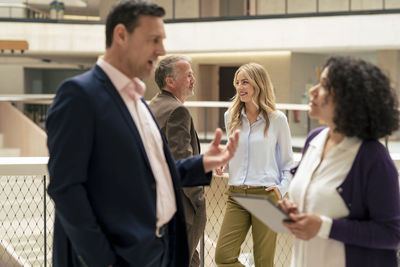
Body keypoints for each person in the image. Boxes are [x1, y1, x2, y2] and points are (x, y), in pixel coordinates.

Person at [45, 1, 239, 267]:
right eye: (153, 39)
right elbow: (66, 189)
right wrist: (106, 260)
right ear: (121, 35)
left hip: (156, 251)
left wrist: (202, 163)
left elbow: (150, 173)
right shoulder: (79, 95)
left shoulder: (138, 100)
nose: (161, 50)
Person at [280, 56, 400, 267]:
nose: (313, 91)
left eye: (324, 86)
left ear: (348, 99)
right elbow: (315, 202)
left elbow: (391, 234)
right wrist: (294, 210)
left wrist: (324, 227)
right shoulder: (314, 140)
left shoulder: (373, 157)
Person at [214, 62, 294, 267]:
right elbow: (237, 155)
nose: (240, 87)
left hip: (266, 195)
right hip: (236, 194)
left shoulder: (277, 120)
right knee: (223, 257)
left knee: (264, 261)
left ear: (259, 84)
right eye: (237, 82)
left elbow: (287, 163)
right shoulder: (230, 116)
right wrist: (225, 164)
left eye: (245, 82)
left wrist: (281, 189)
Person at [149, 55, 206, 267]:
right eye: (188, 75)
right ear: (170, 81)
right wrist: (199, 201)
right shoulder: (177, 111)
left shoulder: (152, 107)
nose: (193, 80)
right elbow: (182, 163)